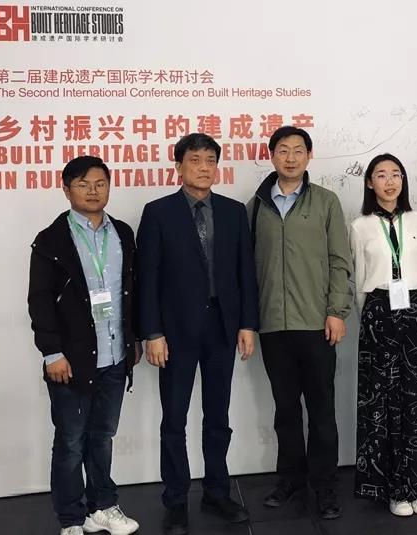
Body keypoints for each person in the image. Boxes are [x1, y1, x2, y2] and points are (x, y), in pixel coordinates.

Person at [137, 133, 259, 535]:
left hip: (222, 327)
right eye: (195, 160)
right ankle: (175, 500)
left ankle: (217, 492)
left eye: (210, 160)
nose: (204, 167)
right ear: (179, 166)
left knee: (218, 416)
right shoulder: (158, 212)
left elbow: (245, 272)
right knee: (174, 419)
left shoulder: (232, 211)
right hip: (174, 332)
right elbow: (147, 278)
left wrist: (247, 324)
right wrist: (151, 332)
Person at [28, 156, 141, 535]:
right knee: (71, 442)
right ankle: (71, 519)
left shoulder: (122, 233)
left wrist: (134, 338)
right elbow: (40, 300)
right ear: (66, 190)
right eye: (83, 184)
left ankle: (102, 507)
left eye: (100, 183)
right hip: (71, 360)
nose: (93, 191)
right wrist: (52, 353)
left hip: (115, 355)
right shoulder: (51, 240)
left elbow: (131, 291)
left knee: (102, 437)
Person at [246, 126, 352, 519]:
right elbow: (247, 268)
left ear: (309, 156)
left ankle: (324, 486)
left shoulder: (326, 202)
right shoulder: (256, 206)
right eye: (282, 150)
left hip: (316, 323)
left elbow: (340, 260)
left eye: (297, 150)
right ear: (271, 155)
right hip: (273, 324)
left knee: (322, 410)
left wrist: (336, 311)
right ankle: (290, 478)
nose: (290, 158)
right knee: (285, 410)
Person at [349, 154, 417, 517]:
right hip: (378, 311)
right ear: (369, 183)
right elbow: (360, 279)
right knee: (383, 401)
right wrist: (373, 316)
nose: (389, 181)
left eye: (396, 175)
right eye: (381, 175)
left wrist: (414, 307)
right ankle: (394, 489)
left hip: (415, 311)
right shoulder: (360, 225)